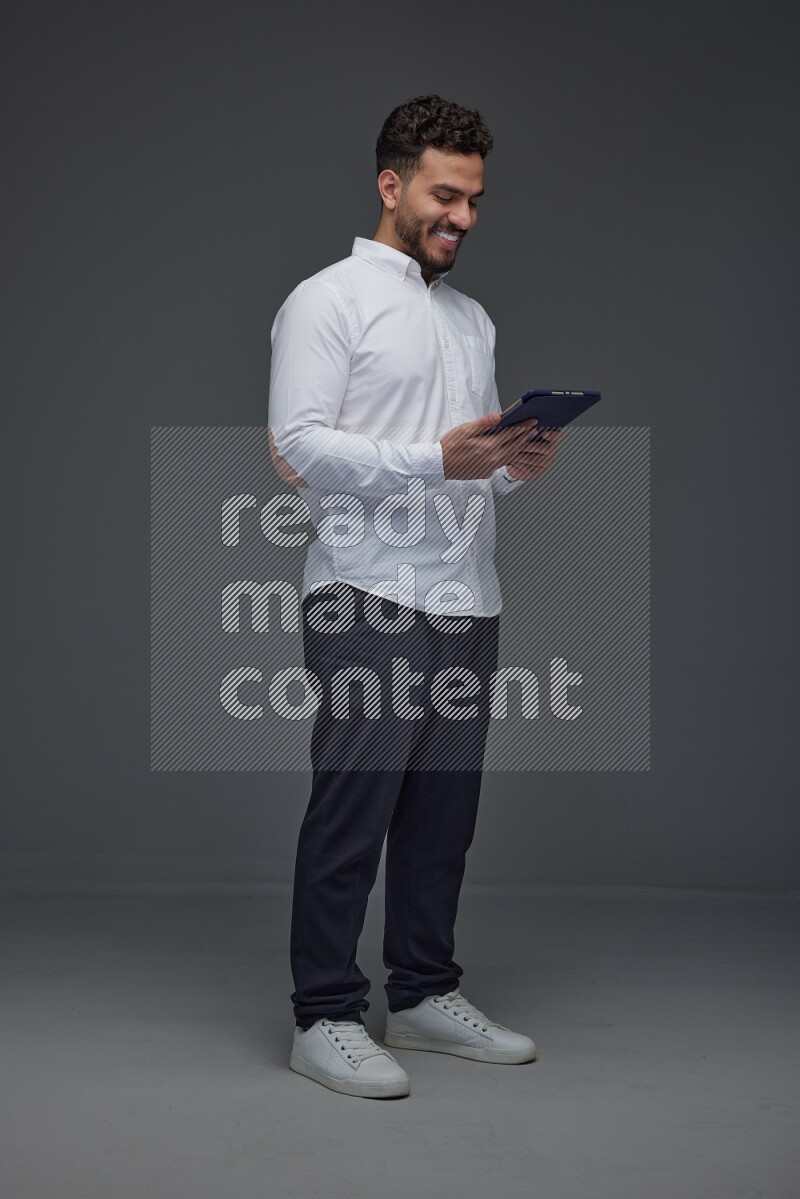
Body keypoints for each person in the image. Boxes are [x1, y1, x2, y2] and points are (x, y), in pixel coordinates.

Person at [267, 94, 563, 1099]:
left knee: (443, 813)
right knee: (352, 811)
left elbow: (462, 472)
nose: (462, 217)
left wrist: (513, 464)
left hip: (463, 598)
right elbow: (298, 447)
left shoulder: (470, 319)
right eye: (445, 195)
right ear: (391, 185)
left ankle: (425, 992)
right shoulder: (325, 300)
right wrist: (432, 456)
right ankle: (322, 1012)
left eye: (474, 200)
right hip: (365, 597)